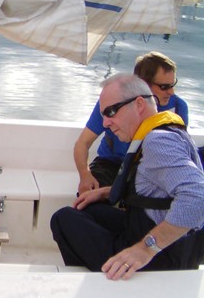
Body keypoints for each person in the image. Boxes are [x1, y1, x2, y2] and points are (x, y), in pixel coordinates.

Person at [51, 74, 204, 279]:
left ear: (139, 104)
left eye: (111, 112)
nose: (105, 123)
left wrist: (144, 250)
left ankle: (105, 285)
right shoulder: (167, 132)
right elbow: (158, 193)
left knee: (63, 219)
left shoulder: (158, 142)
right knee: (88, 209)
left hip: (160, 261)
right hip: (174, 246)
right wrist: (107, 192)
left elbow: (197, 197)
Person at [74, 51, 189, 194]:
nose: (171, 92)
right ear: (143, 84)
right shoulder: (111, 105)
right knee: (88, 198)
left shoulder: (179, 107)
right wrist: (85, 175)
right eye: (164, 87)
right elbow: (82, 143)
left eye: (173, 84)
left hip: (149, 170)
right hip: (111, 164)